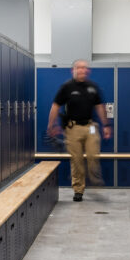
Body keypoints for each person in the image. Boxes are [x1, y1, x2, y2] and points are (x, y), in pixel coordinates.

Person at [47, 60, 112, 201]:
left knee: (93, 154)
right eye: (79, 68)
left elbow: (100, 107)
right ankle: (78, 189)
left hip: (90, 127)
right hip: (73, 128)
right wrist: (51, 125)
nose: (82, 70)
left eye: (85, 68)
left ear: (88, 71)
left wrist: (106, 125)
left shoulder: (93, 87)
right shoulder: (67, 87)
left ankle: (94, 178)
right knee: (76, 161)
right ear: (73, 70)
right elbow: (55, 106)